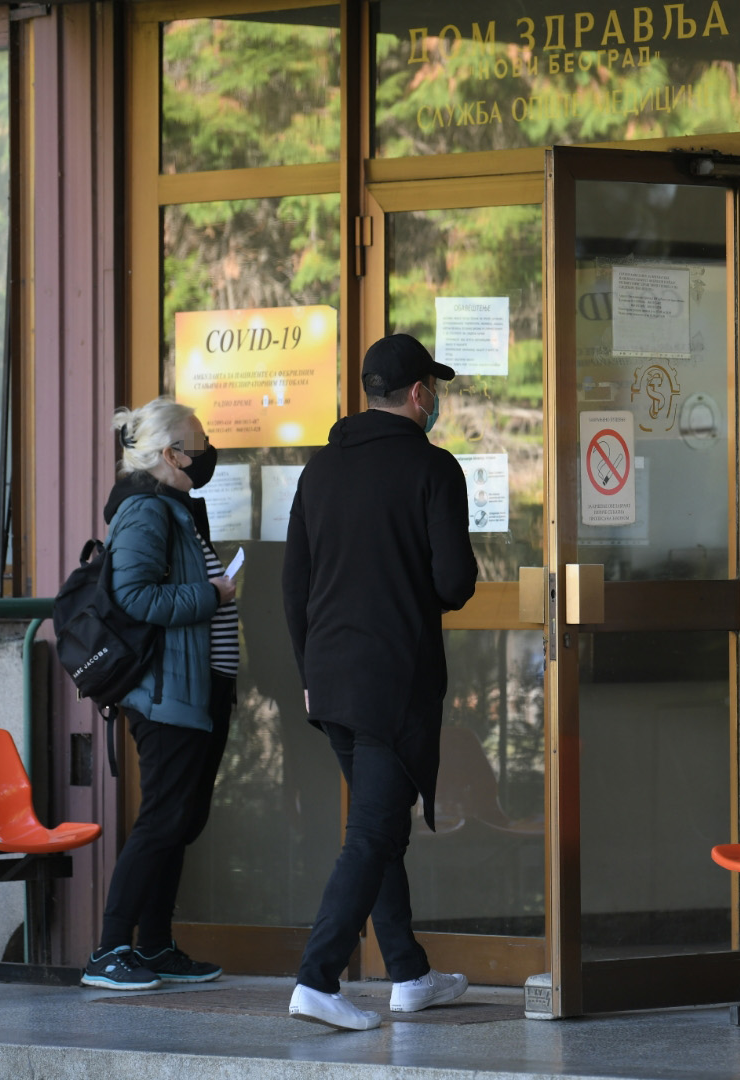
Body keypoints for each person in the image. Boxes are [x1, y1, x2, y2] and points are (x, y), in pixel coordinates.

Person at [281, 333, 479, 1030]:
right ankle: (317, 977)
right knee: (371, 832)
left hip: (330, 681)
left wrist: (311, 674)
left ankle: (410, 972)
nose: (437, 403)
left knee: (381, 825)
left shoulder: (319, 472)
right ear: (421, 394)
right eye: (436, 391)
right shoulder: (433, 469)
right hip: (394, 681)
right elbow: (454, 582)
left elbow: (294, 586)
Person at [80, 397, 238, 991]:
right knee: (162, 819)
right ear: (170, 454)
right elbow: (135, 599)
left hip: (198, 691)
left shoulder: (173, 508)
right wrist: (212, 598)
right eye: (197, 443)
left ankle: (153, 946)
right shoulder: (146, 512)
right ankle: (110, 949)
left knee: (180, 821)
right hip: (167, 693)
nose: (205, 452)